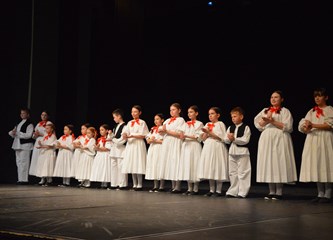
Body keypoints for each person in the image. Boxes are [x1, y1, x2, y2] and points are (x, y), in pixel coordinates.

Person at [254, 90, 297, 200]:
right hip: (267, 138)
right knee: (269, 162)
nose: (273, 99)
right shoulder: (265, 110)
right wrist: (266, 120)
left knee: (279, 162)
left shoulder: (285, 111)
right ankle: (271, 191)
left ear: (281, 99)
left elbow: (288, 127)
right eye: (272, 97)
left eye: (276, 97)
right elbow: (259, 125)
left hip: (280, 137)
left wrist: (272, 121)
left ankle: (279, 191)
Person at [298, 87, 333, 203]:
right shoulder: (311, 111)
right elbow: (304, 124)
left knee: (325, 163)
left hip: (324, 138)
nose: (317, 98)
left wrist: (313, 125)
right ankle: (320, 193)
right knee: (316, 164)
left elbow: (329, 125)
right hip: (313, 139)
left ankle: (328, 194)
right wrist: (306, 126)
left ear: (326, 97)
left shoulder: (329, 109)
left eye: (320, 95)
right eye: (315, 96)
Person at [198, 107, 229, 197]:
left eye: (212, 113)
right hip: (208, 146)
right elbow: (203, 138)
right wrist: (205, 133)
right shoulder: (207, 124)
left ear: (218, 115)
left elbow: (221, 137)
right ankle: (211, 190)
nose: (210, 116)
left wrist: (210, 133)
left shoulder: (220, 124)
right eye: (209, 114)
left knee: (217, 167)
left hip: (217, 146)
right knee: (210, 167)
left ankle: (218, 190)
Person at [224, 107, 252, 198]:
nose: (233, 118)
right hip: (232, 152)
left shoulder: (246, 127)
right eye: (232, 117)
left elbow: (245, 140)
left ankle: (242, 192)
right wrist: (229, 138)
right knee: (232, 172)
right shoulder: (230, 127)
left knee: (243, 172)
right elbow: (226, 140)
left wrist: (234, 139)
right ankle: (233, 191)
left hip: (242, 152)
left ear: (241, 116)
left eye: (235, 116)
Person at [158, 103, 185, 193]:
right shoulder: (167, 121)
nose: (171, 111)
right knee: (169, 162)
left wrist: (167, 131)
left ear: (179, 110)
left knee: (176, 161)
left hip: (175, 142)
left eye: (174, 109)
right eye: (170, 110)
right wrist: (161, 131)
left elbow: (180, 134)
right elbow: (162, 132)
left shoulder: (181, 120)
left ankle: (178, 186)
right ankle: (173, 185)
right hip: (167, 143)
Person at [122, 105, 149, 191]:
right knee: (132, 163)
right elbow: (126, 132)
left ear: (140, 113)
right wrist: (125, 134)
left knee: (138, 163)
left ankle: (140, 184)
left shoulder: (142, 122)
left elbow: (144, 134)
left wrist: (133, 135)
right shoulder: (129, 123)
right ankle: (134, 184)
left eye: (135, 112)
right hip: (131, 144)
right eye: (132, 112)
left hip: (138, 144)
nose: (133, 113)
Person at [178, 105, 204, 195]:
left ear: (196, 113)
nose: (189, 114)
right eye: (188, 112)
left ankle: (196, 188)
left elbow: (198, 137)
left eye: (191, 112)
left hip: (194, 145)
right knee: (187, 165)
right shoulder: (185, 124)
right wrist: (182, 136)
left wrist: (186, 136)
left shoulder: (199, 123)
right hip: (186, 146)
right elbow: (181, 136)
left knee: (195, 164)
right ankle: (189, 188)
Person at [8, 107, 34, 184]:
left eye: (24, 113)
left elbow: (29, 135)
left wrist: (18, 133)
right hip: (18, 145)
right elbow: (14, 133)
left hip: (25, 145)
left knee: (24, 162)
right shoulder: (19, 123)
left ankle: (24, 179)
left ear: (28, 114)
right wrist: (12, 133)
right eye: (21, 113)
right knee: (19, 162)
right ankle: (20, 179)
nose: (22, 114)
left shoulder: (29, 124)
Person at [29, 110, 52, 184]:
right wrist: (35, 135)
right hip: (38, 142)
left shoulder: (49, 123)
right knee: (38, 160)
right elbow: (34, 135)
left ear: (48, 116)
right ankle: (41, 178)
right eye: (42, 115)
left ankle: (48, 178)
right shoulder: (39, 124)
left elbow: (50, 134)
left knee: (44, 160)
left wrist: (41, 134)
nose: (43, 116)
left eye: (45, 115)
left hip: (45, 141)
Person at [107, 109, 128, 190]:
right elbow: (112, 138)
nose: (114, 119)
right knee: (114, 167)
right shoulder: (115, 126)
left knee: (121, 167)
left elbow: (122, 140)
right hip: (114, 150)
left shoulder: (125, 126)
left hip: (121, 150)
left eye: (114, 117)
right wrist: (111, 137)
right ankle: (114, 183)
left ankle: (122, 184)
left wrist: (113, 138)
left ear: (119, 116)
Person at [145, 113, 165, 192]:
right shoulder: (153, 129)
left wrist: (155, 140)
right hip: (153, 148)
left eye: (157, 119)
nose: (156, 121)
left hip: (160, 148)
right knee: (153, 165)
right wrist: (150, 140)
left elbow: (164, 141)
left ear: (162, 120)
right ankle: (155, 185)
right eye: (155, 119)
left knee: (159, 165)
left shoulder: (163, 129)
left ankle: (161, 186)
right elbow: (148, 140)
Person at [90, 124, 112, 189]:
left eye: (102, 130)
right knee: (100, 168)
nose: (101, 131)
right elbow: (98, 147)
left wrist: (98, 149)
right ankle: (102, 183)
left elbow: (108, 148)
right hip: (100, 154)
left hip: (105, 154)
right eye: (100, 130)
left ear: (107, 131)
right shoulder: (99, 139)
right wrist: (96, 148)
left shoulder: (108, 138)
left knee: (105, 168)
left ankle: (105, 183)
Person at [70, 123, 91, 187]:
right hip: (78, 152)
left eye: (83, 129)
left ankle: (86, 181)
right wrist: (77, 145)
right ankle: (81, 181)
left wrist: (79, 145)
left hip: (83, 153)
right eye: (81, 129)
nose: (82, 130)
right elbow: (73, 144)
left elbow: (84, 146)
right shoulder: (80, 137)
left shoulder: (88, 137)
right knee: (79, 167)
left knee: (84, 167)